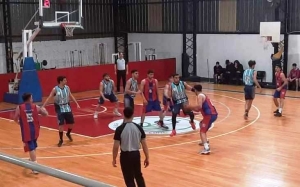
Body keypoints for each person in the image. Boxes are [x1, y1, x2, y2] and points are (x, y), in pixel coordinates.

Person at [112, 107, 149, 187]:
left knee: (129, 179)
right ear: (133, 115)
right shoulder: (139, 128)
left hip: (125, 156)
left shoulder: (119, 129)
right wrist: (147, 157)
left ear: (123, 115)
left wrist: (114, 158)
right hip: (136, 155)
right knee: (138, 175)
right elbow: (144, 144)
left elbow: (116, 147)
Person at [14, 93, 48, 174]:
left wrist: (19, 123)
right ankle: (32, 160)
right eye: (31, 97)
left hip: (26, 131)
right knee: (33, 145)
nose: (32, 99)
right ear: (29, 99)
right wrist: (45, 110)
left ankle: (35, 166)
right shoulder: (36, 107)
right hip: (35, 130)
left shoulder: (19, 107)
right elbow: (45, 114)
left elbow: (15, 118)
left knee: (31, 147)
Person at [42, 76, 80, 147]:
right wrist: (43, 106)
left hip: (67, 106)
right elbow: (49, 97)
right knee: (61, 124)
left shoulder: (67, 88)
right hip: (59, 107)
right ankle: (61, 139)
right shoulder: (55, 89)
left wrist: (77, 103)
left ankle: (68, 133)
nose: (66, 81)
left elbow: (71, 96)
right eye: (65, 80)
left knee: (71, 124)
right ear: (60, 81)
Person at [183, 85, 218, 155]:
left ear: (195, 90)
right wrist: (191, 108)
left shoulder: (200, 96)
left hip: (209, 115)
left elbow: (199, 107)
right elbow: (198, 109)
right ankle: (205, 141)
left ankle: (206, 148)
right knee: (201, 124)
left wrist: (190, 107)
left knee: (202, 131)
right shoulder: (203, 95)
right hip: (212, 114)